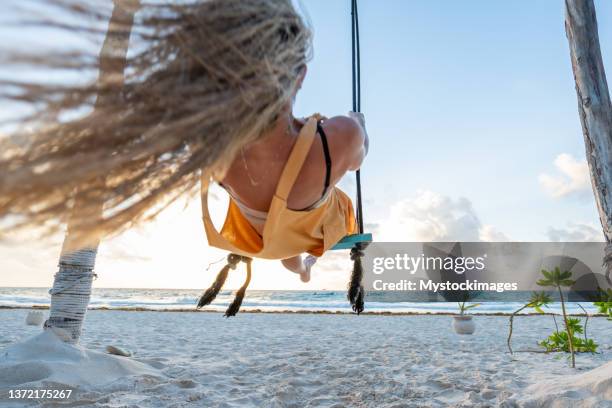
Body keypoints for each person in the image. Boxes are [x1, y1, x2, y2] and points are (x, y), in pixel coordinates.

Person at [0, 0, 367, 283]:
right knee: (319, 214)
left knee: (282, 233)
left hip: (256, 235)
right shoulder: (337, 139)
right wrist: (355, 122)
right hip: (303, 220)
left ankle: (298, 264)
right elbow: (359, 155)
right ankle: (302, 265)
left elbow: (113, 107)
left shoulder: (207, 148)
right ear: (300, 76)